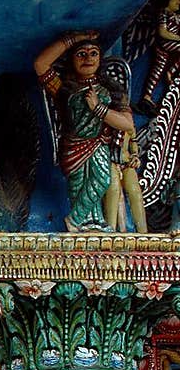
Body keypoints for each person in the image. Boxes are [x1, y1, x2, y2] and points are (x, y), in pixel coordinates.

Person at [33, 30, 135, 231]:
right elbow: (40, 64)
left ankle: (76, 219)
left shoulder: (112, 91)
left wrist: (99, 109)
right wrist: (73, 39)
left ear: (101, 59)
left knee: (102, 179)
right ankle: (89, 223)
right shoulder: (65, 89)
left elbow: (127, 124)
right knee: (78, 187)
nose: (88, 58)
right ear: (72, 60)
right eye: (81, 54)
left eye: (93, 53)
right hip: (73, 147)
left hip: (98, 144)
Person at [138, 0, 180, 117]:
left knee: (157, 69)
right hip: (164, 43)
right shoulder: (164, 13)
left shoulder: (177, 16)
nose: (178, 1)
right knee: (158, 68)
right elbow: (162, 32)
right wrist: (178, 38)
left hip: (170, 46)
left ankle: (147, 97)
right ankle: (171, 71)